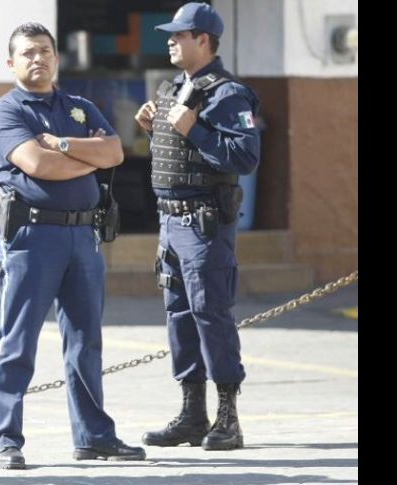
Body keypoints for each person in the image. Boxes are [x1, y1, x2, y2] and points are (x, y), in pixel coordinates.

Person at [0, 22, 146, 470]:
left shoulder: (79, 107)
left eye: (45, 51)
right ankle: (5, 440)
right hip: (31, 238)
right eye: (28, 53)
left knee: (85, 342)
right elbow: (38, 164)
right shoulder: (4, 112)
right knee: (17, 343)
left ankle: (94, 437)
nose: (38, 58)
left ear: (56, 57)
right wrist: (86, 158)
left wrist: (65, 146)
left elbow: (114, 153)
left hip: (83, 236)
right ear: (11, 63)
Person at [133, 2, 261, 451]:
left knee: (211, 314)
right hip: (170, 222)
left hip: (204, 223)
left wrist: (195, 130)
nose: (170, 41)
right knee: (179, 316)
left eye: (179, 34)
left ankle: (228, 418)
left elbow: (244, 157)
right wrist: (155, 129)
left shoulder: (228, 94)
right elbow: (182, 157)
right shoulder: (173, 88)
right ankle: (192, 414)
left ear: (203, 40)